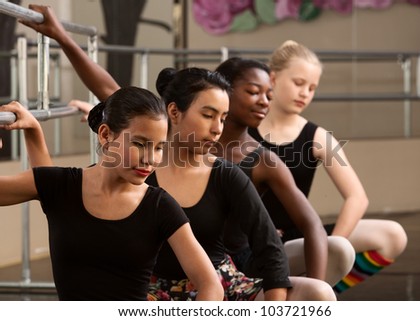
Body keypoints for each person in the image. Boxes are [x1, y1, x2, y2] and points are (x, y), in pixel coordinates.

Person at [21, 4, 337, 301]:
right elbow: (58, 189)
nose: (217, 127)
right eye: (208, 115)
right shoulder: (137, 164)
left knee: (317, 294)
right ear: (173, 112)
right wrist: (61, 37)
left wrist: (276, 308)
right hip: (151, 289)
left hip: (219, 282)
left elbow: (269, 246)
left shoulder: (229, 172)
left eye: (222, 118)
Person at [0, 89, 224, 301]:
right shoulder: (62, 187)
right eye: (139, 143)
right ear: (106, 135)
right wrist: (34, 130)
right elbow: (48, 181)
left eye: (158, 148)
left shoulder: (160, 206)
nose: (151, 159)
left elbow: (211, 286)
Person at [248, 40, 408, 293]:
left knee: (392, 235)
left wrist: (332, 247)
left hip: (299, 238)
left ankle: (325, 290)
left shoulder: (319, 137)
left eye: (312, 88)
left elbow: (357, 197)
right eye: (298, 83)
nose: (305, 93)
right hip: (251, 242)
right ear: (273, 78)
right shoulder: (243, 126)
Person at [214, 57, 355, 286]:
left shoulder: (265, 160)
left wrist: (315, 289)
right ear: (223, 91)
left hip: (244, 265)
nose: (264, 102)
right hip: (187, 264)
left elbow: (312, 225)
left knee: (339, 249)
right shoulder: (187, 145)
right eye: (253, 92)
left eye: (269, 96)